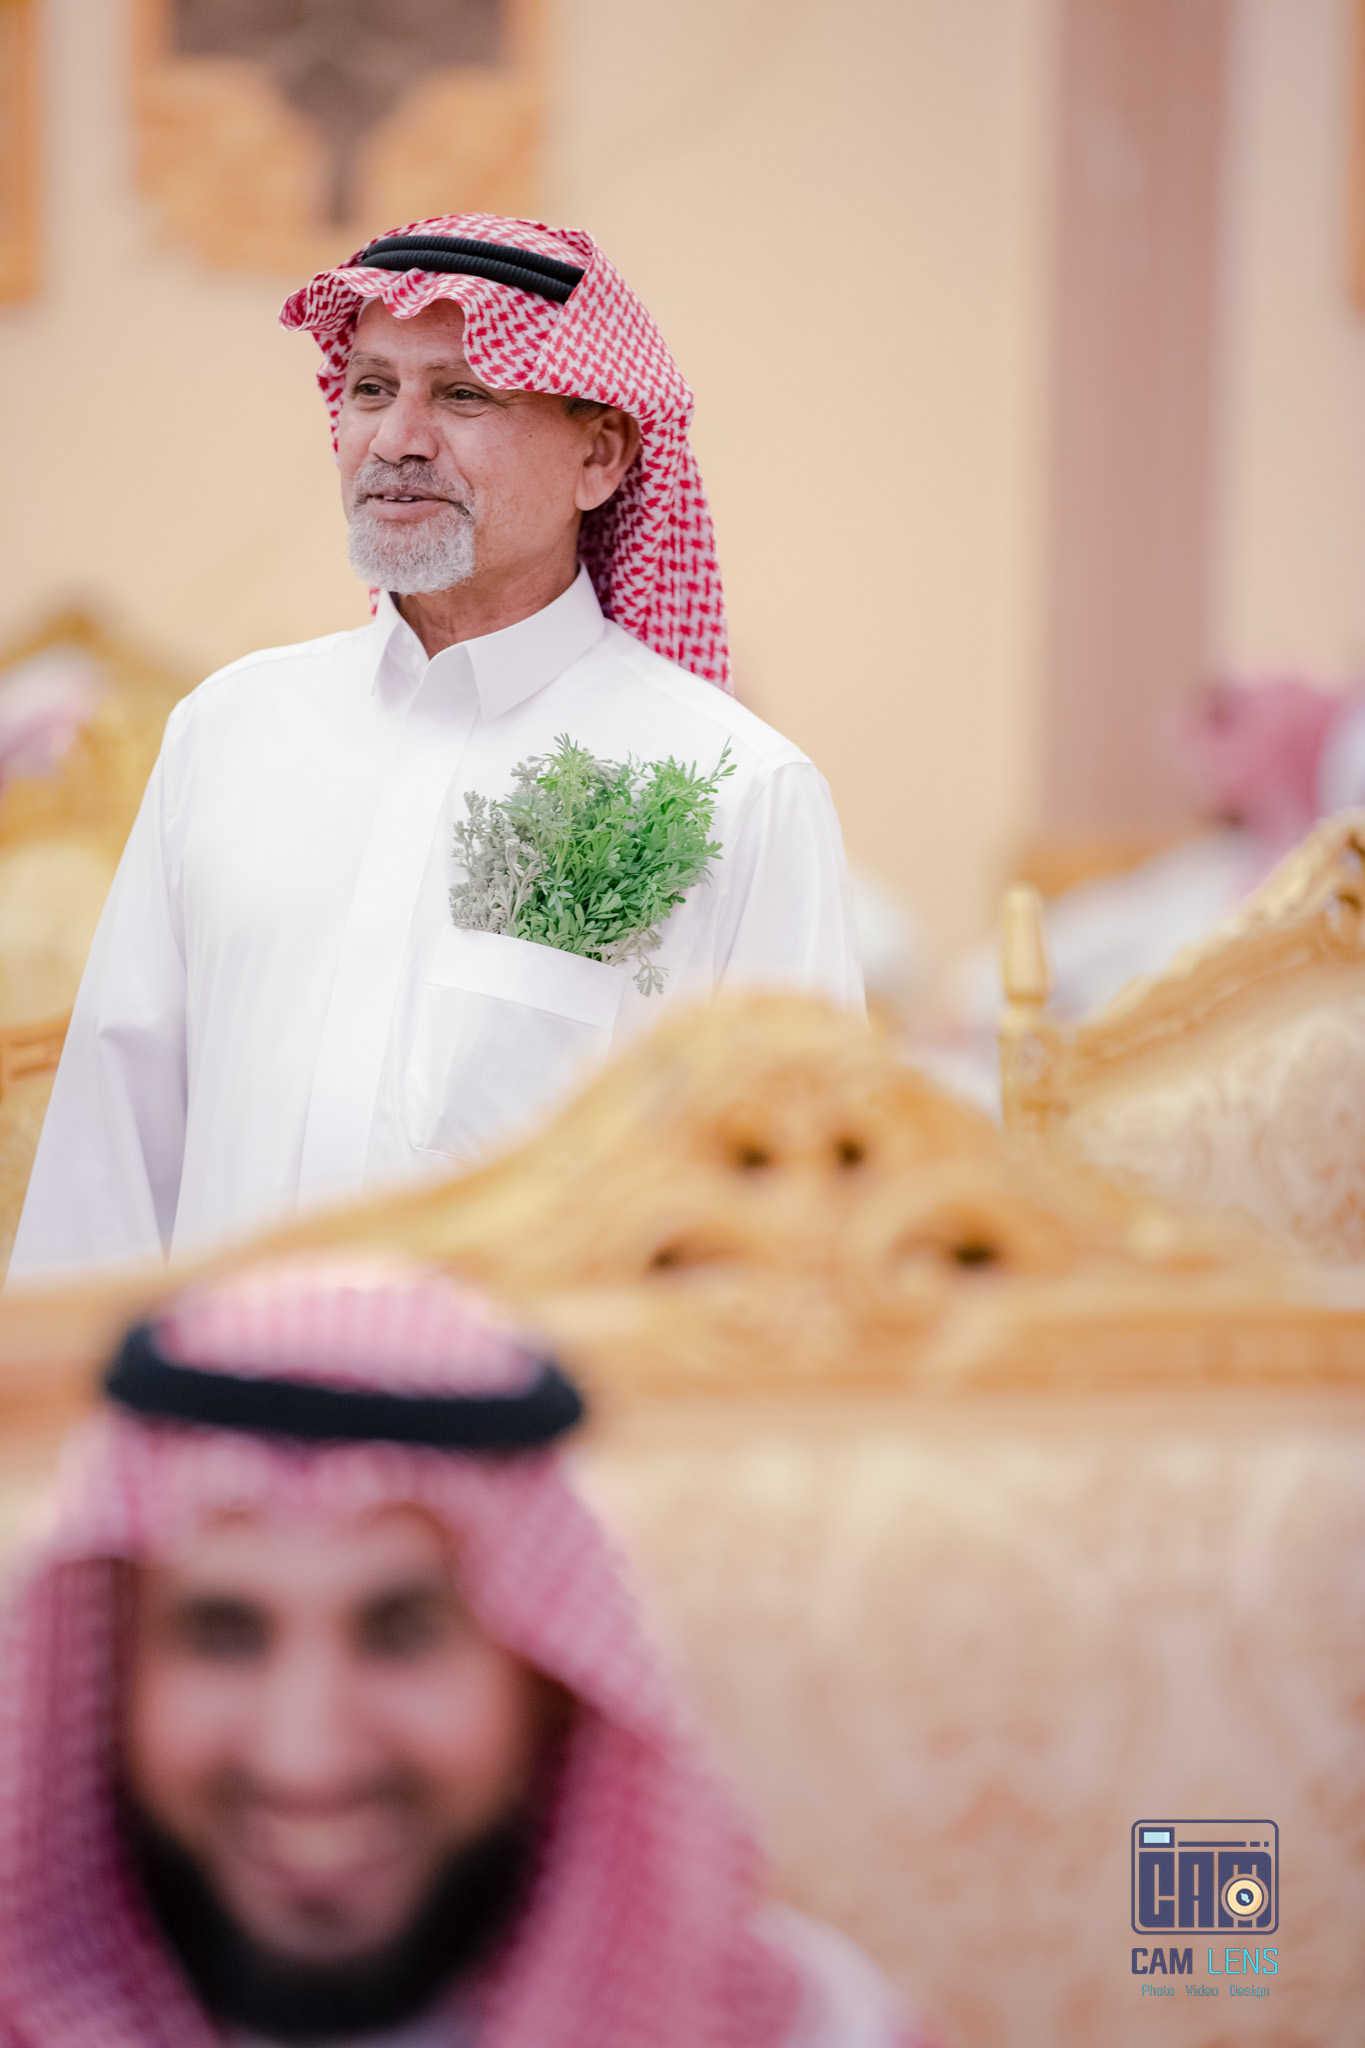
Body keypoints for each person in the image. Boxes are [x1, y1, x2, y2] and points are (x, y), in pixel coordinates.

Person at [11, 214, 861, 1273]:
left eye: (463, 394)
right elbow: (107, 1168)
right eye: (372, 388)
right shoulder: (227, 732)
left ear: (599, 455)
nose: (398, 440)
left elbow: (792, 1225)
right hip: (215, 1378)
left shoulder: (734, 789)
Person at [0, 1258, 923, 2047]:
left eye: (403, 1633)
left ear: (548, 1681)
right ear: (113, 1674)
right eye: (222, 1635)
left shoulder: (805, 2030)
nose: (306, 1760)